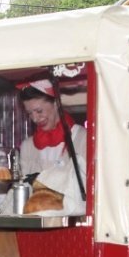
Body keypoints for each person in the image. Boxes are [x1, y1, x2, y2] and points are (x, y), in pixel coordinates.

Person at [17, 80, 87, 215]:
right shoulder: (28, 146)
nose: (35, 118)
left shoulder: (83, 138)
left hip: (72, 221)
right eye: (30, 113)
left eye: (39, 111)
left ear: (56, 103)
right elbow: (24, 191)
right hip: (37, 221)